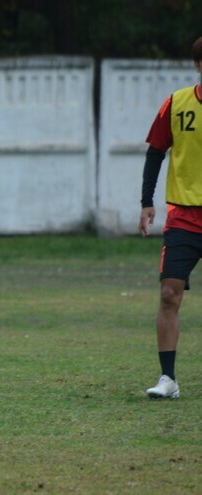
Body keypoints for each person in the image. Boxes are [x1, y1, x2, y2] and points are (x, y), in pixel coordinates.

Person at [139, 35, 202, 399]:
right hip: (183, 218)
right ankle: (168, 379)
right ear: (197, 65)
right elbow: (155, 152)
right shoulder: (176, 104)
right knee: (168, 294)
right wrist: (146, 201)